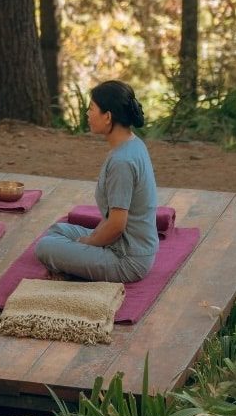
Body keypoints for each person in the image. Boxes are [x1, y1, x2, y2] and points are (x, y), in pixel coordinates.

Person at [35, 80, 158, 283]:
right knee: (58, 230)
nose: (87, 114)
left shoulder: (122, 162)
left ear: (107, 116)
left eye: (91, 108)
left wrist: (88, 242)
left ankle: (71, 266)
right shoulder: (132, 144)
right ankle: (73, 263)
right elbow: (112, 217)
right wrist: (86, 242)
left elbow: (117, 225)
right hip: (122, 245)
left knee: (44, 247)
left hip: (127, 260)